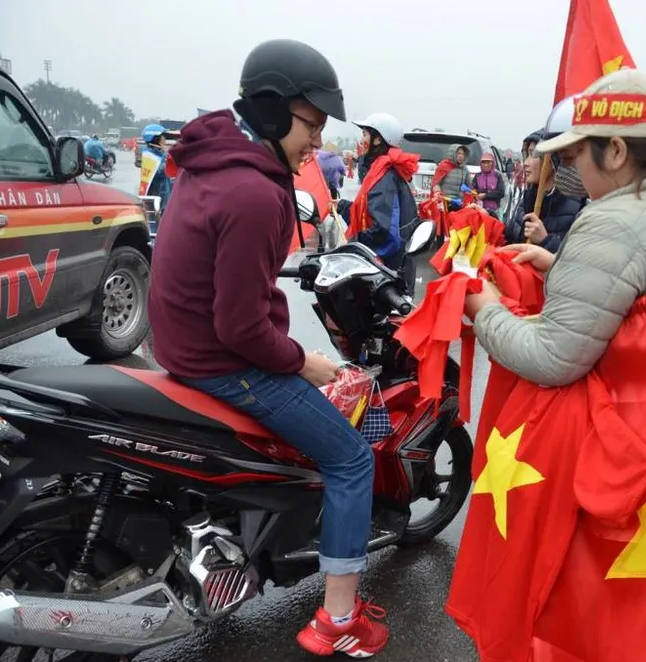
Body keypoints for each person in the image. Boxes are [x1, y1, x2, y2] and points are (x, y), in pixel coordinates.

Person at [146, 39, 388, 657]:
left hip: (179, 346)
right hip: (224, 362)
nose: (318, 142)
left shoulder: (209, 158)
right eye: (312, 125)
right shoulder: (254, 193)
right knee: (351, 459)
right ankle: (339, 617)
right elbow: (241, 329)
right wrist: (306, 363)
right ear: (274, 110)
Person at [465, 68, 646, 387]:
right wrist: (557, 264)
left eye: (575, 156)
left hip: (618, 404)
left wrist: (484, 308)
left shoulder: (611, 223)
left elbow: (550, 358)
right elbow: (635, 289)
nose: (573, 167)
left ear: (615, 152)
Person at [348, 112, 420, 293]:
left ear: (378, 140)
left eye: (365, 134)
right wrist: (343, 208)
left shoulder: (384, 177)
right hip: (392, 274)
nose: (362, 140)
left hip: (388, 279)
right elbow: (372, 213)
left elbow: (386, 233)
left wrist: (354, 244)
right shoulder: (384, 171)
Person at [505, 128, 585, 253]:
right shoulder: (528, 197)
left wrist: (545, 240)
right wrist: (487, 218)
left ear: (552, 161)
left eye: (533, 155)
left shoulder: (576, 206)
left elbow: (576, 257)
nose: (526, 163)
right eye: (526, 155)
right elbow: (509, 237)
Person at [138, 123, 174, 206]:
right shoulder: (150, 155)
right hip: (156, 199)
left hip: (163, 197)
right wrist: (166, 154)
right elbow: (159, 172)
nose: (165, 139)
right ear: (156, 138)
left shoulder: (158, 153)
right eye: (163, 136)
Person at [471, 153, 506, 217]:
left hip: (494, 210)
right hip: (479, 209)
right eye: (483, 162)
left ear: (492, 163)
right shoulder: (477, 176)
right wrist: (476, 194)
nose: (486, 165)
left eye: (488, 162)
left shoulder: (497, 176)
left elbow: (501, 193)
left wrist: (485, 195)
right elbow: (472, 189)